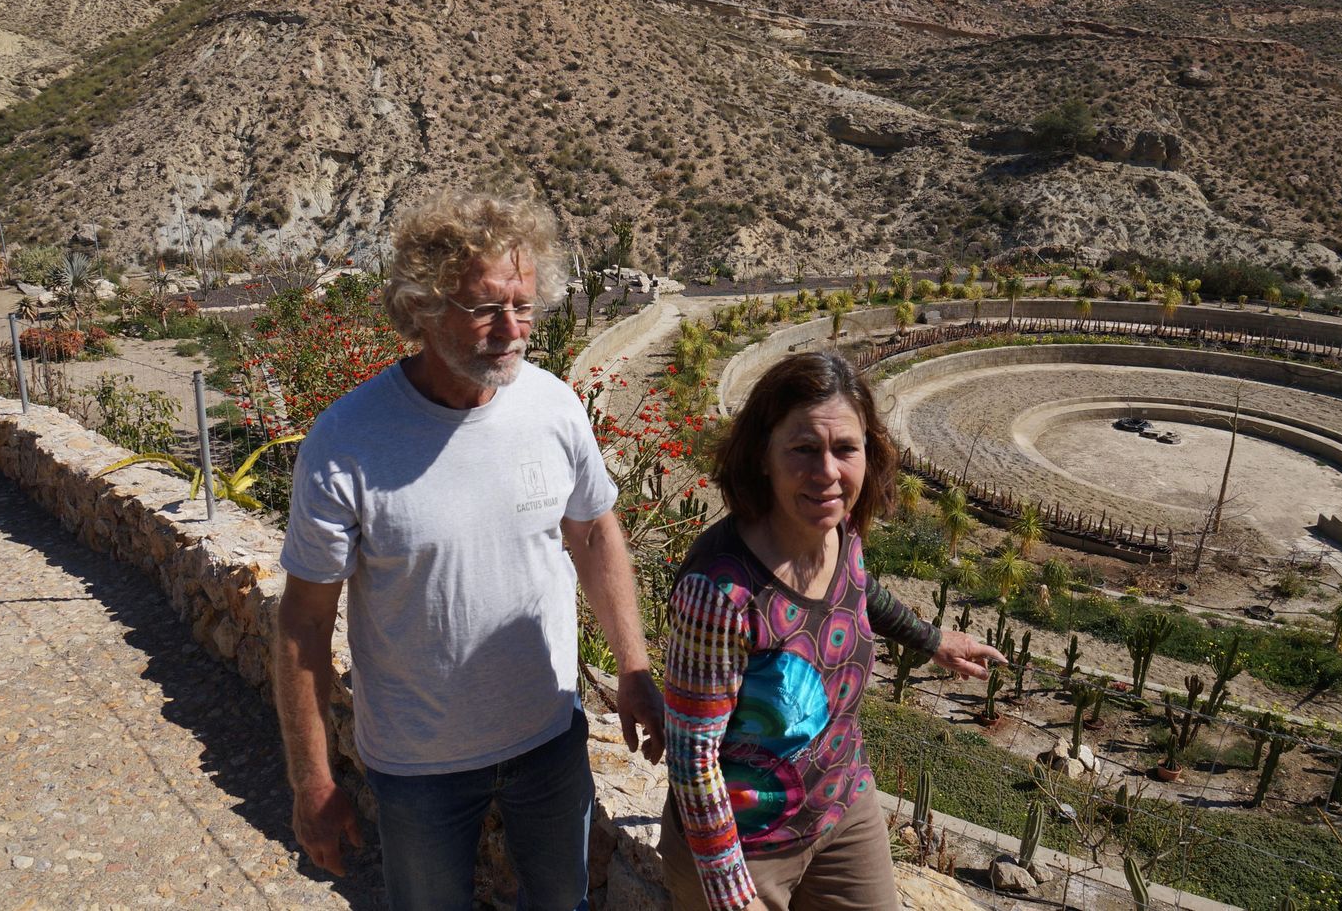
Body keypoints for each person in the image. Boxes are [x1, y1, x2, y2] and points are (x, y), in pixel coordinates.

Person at [273, 190, 664, 910]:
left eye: (523, 304)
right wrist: (313, 780)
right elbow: (301, 623)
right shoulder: (347, 440)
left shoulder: (553, 405)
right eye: (485, 307)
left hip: (549, 738)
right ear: (421, 307)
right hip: (416, 766)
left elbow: (595, 531)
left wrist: (634, 664)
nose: (511, 328)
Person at [660, 352, 1004, 911]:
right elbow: (692, 761)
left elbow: (860, 590)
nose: (827, 472)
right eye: (802, 449)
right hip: (744, 849)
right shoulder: (720, 590)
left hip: (842, 810)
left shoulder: (840, 533)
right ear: (762, 457)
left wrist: (932, 638)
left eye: (845, 448)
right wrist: (729, 893)